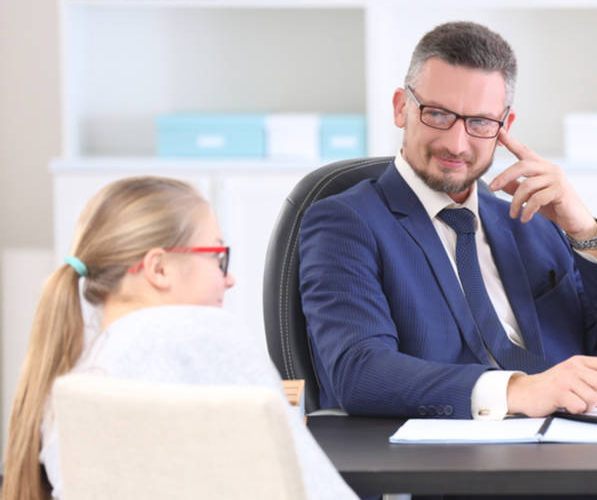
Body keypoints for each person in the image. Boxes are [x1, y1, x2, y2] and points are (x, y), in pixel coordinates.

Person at [298, 21, 597, 421]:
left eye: (479, 123)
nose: (456, 144)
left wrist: (585, 233)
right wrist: (517, 391)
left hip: (573, 450)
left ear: (504, 128)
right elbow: (360, 373)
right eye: (437, 114)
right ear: (401, 107)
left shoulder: (534, 220)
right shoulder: (346, 223)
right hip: (456, 464)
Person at [1, 176, 356, 500]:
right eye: (217, 257)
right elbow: (314, 489)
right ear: (158, 268)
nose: (228, 279)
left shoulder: (67, 385)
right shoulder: (206, 334)